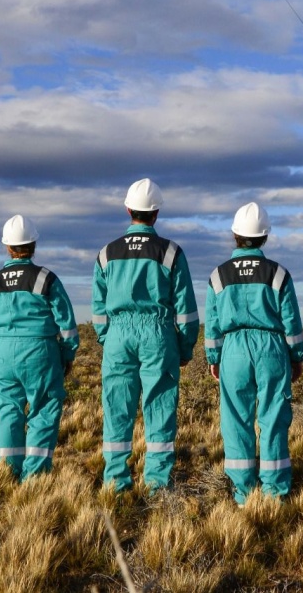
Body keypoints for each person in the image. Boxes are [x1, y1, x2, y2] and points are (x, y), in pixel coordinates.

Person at [92, 178, 199, 493]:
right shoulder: (171, 253)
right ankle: (156, 485)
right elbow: (187, 311)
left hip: (118, 336)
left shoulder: (106, 254)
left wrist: (107, 338)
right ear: (156, 214)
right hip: (158, 333)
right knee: (160, 407)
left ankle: (115, 481)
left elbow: (99, 309)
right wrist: (184, 348)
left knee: (117, 409)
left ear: (128, 209)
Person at [205, 202, 303, 506]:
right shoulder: (278, 274)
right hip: (272, 350)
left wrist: (214, 358)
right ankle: (275, 492)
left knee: (236, 419)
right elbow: (291, 321)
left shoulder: (218, 275)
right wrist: (296, 356)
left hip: (233, 350)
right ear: (265, 237)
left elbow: (212, 324)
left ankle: (242, 492)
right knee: (274, 417)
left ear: (234, 234)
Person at [0, 214, 80, 483]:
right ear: (33, 244)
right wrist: (67, 355)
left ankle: (5, 473)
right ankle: (34, 478)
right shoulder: (45, 279)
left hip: (2, 355)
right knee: (44, 410)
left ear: (7, 246)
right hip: (40, 352)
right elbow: (67, 325)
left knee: (9, 412)